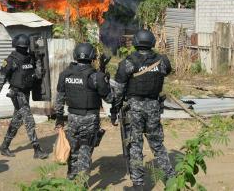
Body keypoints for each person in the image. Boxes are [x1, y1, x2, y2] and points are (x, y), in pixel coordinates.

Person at [112, 29, 175, 189]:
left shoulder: (128, 62)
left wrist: (115, 108)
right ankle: (171, 180)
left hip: (134, 109)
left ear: (135, 43)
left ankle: (138, 185)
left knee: (135, 146)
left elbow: (119, 89)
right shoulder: (162, 61)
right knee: (158, 145)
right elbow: (166, 72)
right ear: (152, 42)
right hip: (154, 107)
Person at [54, 43, 114, 180]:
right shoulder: (96, 76)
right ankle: (81, 184)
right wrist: (106, 80)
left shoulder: (65, 74)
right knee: (85, 151)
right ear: (92, 57)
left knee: (73, 149)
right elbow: (109, 98)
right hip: (90, 119)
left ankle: (71, 178)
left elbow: (59, 99)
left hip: (72, 118)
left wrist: (59, 119)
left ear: (76, 56)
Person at [0, 34, 48, 159]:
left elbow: (38, 75)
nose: (24, 49)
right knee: (29, 120)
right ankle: (37, 149)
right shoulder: (11, 60)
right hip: (17, 93)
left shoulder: (30, 58)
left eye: (25, 47)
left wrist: (38, 60)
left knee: (17, 121)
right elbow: (1, 80)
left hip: (26, 93)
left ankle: (4, 146)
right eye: (22, 47)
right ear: (16, 46)